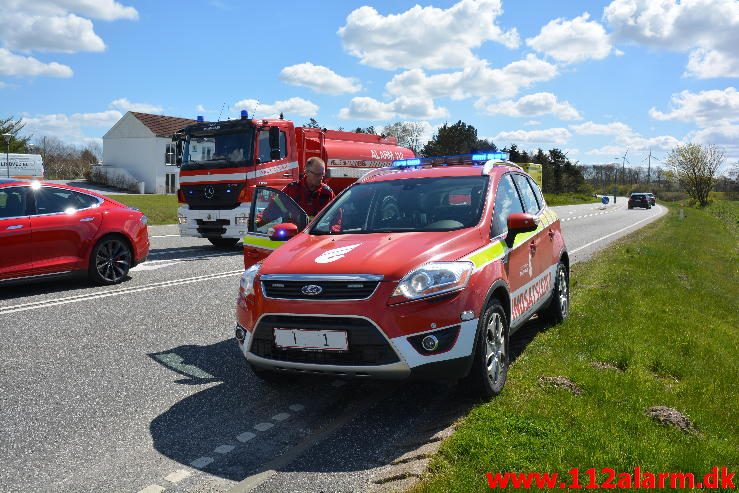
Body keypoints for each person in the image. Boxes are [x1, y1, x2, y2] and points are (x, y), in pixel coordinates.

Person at [258, 157, 335, 226]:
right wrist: (257, 223)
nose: (321, 178)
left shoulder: (327, 193)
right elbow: (272, 210)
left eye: (322, 174)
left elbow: (337, 218)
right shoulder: (292, 190)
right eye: (317, 174)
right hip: (293, 236)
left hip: (318, 237)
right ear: (307, 172)